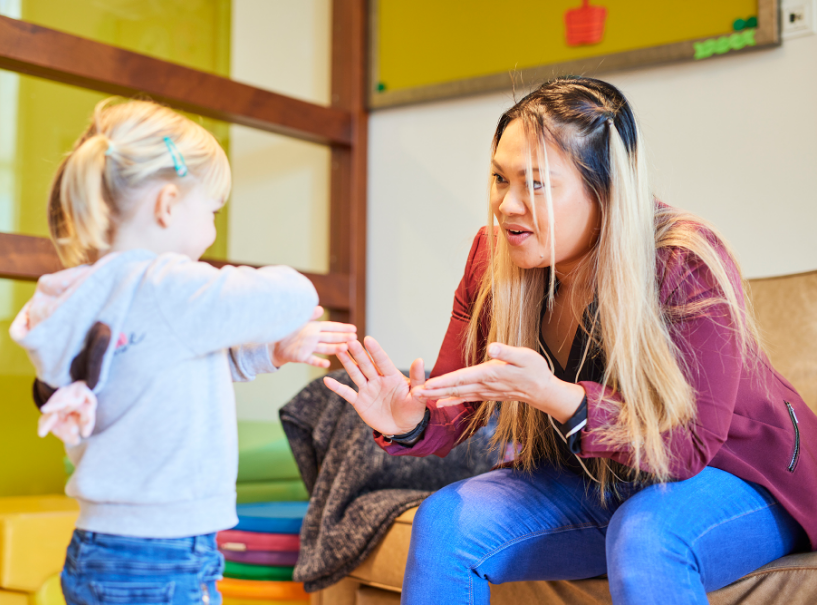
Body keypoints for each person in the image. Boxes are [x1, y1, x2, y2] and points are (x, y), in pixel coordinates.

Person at [324, 77, 816, 605]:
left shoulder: (684, 261)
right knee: (446, 523)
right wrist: (411, 420)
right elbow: (454, 402)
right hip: (597, 476)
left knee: (646, 535)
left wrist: (558, 396)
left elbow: (688, 446)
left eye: (536, 184)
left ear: (604, 190)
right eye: (499, 178)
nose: (508, 205)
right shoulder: (494, 260)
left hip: (735, 474)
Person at [9, 99, 356, 605]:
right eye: (211, 211)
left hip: (100, 545)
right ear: (167, 204)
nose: (213, 231)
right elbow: (290, 296)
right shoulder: (163, 283)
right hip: (162, 552)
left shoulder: (94, 289)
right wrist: (293, 296)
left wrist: (272, 351)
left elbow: (176, 363)